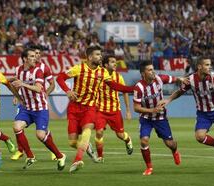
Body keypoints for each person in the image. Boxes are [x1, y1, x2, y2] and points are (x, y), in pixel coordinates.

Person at [159, 57, 214, 174]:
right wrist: (168, 100)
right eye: (206, 64)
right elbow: (180, 91)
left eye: (210, 64)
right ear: (199, 67)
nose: (209, 67)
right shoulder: (191, 79)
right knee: (199, 137)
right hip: (203, 113)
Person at [56, 45, 134, 173]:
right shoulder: (79, 68)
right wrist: (68, 91)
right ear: (90, 56)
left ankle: (78, 160)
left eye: (100, 54)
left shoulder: (102, 72)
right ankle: (87, 147)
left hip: (90, 107)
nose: (100, 57)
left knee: (88, 131)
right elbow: (60, 78)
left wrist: (133, 88)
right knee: (72, 142)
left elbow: (114, 85)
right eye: (98, 54)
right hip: (74, 108)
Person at [11, 48, 66, 170]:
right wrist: (17, 96)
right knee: (16, 127)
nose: (34, 58)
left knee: (40, 135)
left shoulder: (38, 70)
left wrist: (23, 84)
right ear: (25, 58)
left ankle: (60, 155)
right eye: (31, 56)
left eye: (34, 56)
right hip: (26, 108)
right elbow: (14, 83)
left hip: (40, 108)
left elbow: (38, 88)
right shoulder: (18, 70)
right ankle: (30, 156)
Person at [132, 61, 186, 176]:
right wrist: (151, 110)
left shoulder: (159, 79)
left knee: (170, 144)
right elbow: (136, 108)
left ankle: (175, 151)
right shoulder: (139, 88)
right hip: (146, 118)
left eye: (153, 69)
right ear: (143, 73)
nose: (153, 71)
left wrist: (180, 79)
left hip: (160, 117)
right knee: (143, 140)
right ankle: (149, 167)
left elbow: (172, 79)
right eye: (150, 70)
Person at [93, 54, 134, 163]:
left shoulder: (118, 77)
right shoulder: (98, 75)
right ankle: (100, 156)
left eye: (115, 61)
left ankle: (128, 139)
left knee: (120, 135)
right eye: (112, 62)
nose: (115, 63)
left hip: (115, 110)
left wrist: (128, 110)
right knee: (99, 132)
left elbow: (125, 92)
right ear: (106, 65)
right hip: (100, 110)